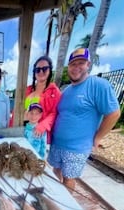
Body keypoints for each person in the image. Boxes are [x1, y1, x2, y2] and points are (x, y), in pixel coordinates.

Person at [47, 48, 121, 191]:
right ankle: (56, 199)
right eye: (73, 64)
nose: (76, 68)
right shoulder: (66, 90)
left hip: (77, 148)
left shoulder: (98, 85)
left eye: (81, 63)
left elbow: (114, 113)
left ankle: (65, 209)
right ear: (68, 67)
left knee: (68, 178)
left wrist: (98, 137)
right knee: (55, 171)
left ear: (88, 64)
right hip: (57, 144)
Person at [24, 55, 61, 147]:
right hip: (24, 133)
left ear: (49, 71)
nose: (41, 72)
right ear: (34, 72)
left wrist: (42, 126)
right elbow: (19, 109)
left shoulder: (54, 91)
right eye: (38, 69)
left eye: (44, 69)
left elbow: (54, 113)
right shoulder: (28, 90)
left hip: (39, 136)